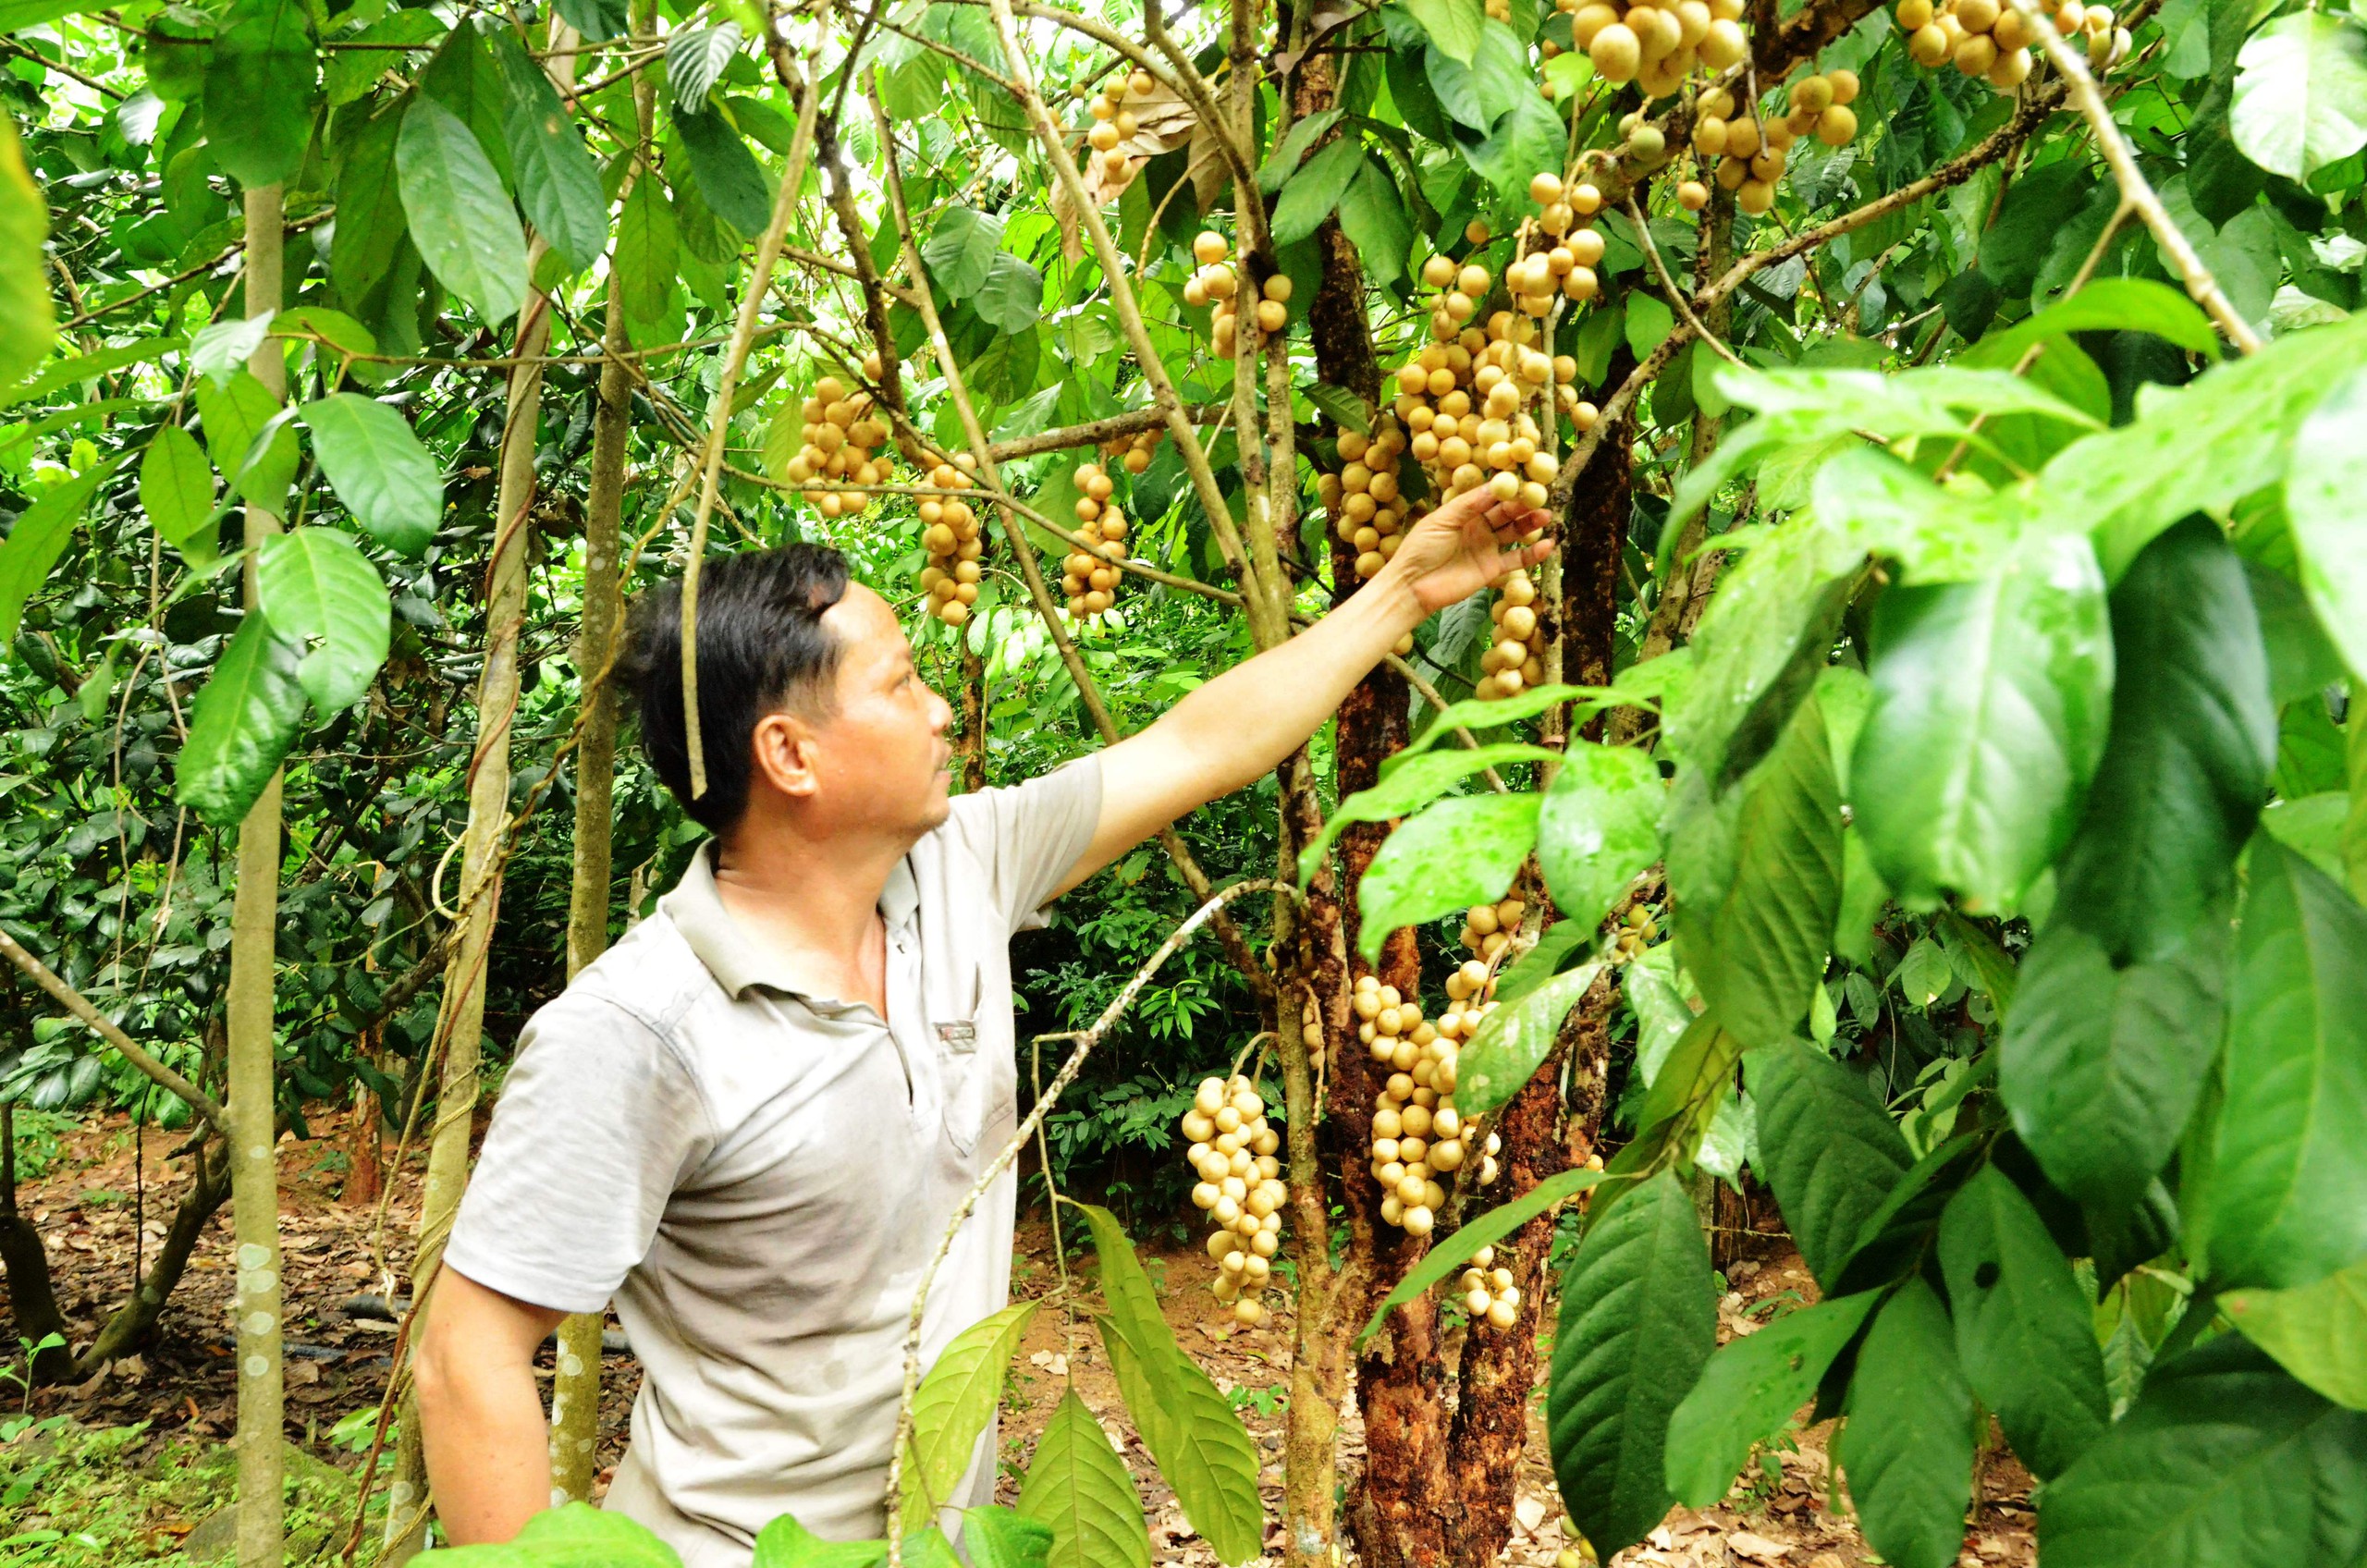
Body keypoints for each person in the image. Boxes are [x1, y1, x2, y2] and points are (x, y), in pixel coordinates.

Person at [411, 482, 1552, 1565]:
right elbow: (467, 1359)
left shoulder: (956, 868)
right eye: (901, 684)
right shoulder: (636, 1028)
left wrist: (1402, 590)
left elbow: (1201, 744)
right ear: (790, 754)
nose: (942, 706)